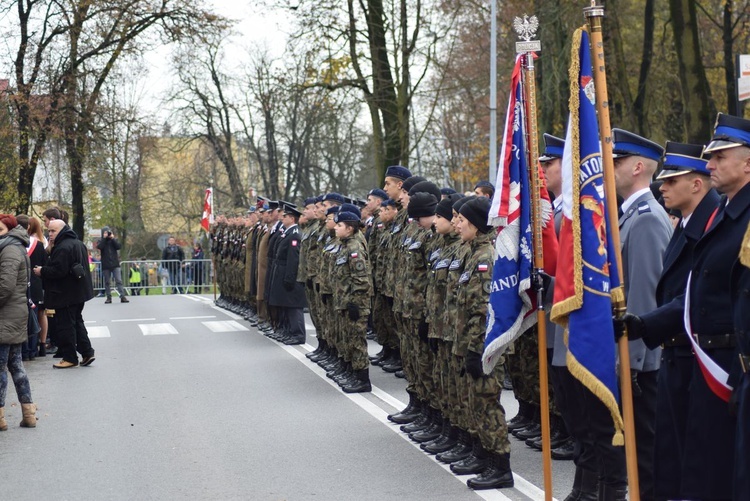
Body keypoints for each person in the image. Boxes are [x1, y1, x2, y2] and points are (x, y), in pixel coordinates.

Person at [625, 113, 750, 501]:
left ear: (748, 162)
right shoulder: (727, 215)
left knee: (717, 475)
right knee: (692, 469)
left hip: (726, 363)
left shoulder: (736, 217)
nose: (710, 164)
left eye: (720, 157)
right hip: (705, 360)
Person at [647, 141, 718, 500]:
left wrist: (645, 325)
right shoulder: (688, 223)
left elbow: (693, 294)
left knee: (695, 467)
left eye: (673, 180)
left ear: (696, 184)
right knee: (671, 460)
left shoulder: (712, 224)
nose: (663, 186)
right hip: (676, 357)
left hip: (701, 362)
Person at [612, 127, 672, 501]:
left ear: (637, 168)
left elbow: (646, 298)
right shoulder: (630, 215)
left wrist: (631, 364)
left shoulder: (647, 217)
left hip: (645, 363)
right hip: (639, 358)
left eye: (616, 162)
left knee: (647, 458)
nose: (609, 167)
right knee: (639, 455)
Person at [34, 220, 95, 368]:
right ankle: (87, 352)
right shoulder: (77, 243)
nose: (50, 234)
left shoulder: (63, 247)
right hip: (78, 292)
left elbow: (58, 271)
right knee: (77, 323)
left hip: (65, 293)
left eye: (53, 231)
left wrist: (41, 271)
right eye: (49, 231)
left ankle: (69, 358)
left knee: (66, 326)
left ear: (62, 230)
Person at [0, 214, 37, 429]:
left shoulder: (10, 249)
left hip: (7, 315)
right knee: (16, 365)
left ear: (10, 230)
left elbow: (5, 286)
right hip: (13, 313)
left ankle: (1, 418)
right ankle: (29, 414)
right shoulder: (12, 246)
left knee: (2, 367)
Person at [268, 204, 307, 345]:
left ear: (292, 218)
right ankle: (289, 331)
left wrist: (290, 278)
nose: (282, 218)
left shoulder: (295, 234)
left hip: (290, 276)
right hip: (282, 274)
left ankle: (298, 334)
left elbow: (293, 259)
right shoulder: (288, 232)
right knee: (286, 305)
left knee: (293, 307)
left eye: (285, 216)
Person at [96, 226, 129, 304]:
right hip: (106, 265)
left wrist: (113, 238)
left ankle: (122, 296)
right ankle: (108, 297)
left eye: (108, 232)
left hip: (115, 264)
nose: (107, 234)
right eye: (105, 232)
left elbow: (118, 246)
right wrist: (104, 238)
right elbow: (100, 247)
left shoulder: (113, 240)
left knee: (119, 280)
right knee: (107, 282)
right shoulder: (101, 241)